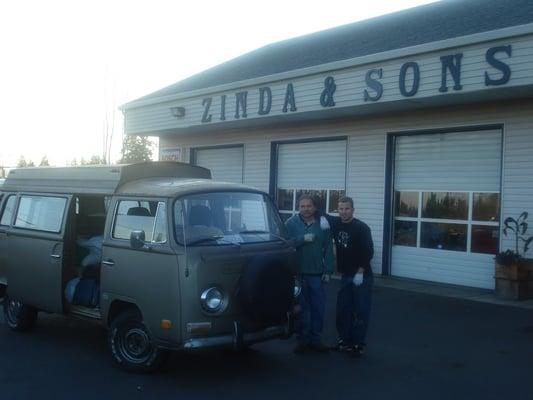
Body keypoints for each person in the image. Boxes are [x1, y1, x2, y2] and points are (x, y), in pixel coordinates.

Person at [320, 196, 374, 356]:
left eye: (347, 209)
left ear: (353, 210)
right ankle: (345, 341)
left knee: (361, 311)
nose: (343, 212)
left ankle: (358, 344)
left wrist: (360, 271)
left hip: (361, 276)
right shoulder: (336, 223)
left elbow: (369, 251)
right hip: (345, 276)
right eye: (341, 209)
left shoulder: (362, 227)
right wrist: (322, 217)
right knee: (344, 309)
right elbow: (317, 210)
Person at [285, 194, 334, 353]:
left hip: (316, 275)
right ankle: (302, 341)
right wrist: (302, 239)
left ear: (315, 207)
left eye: (309, 206)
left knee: (318, 308)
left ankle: (316, 340)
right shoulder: (290, 223)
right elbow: (285, 244)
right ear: (298, 207)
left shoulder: (323, 224)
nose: (306, 209)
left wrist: (328, 270)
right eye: (302, 206)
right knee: (300, 308)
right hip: (297, 275)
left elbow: (328, 249)